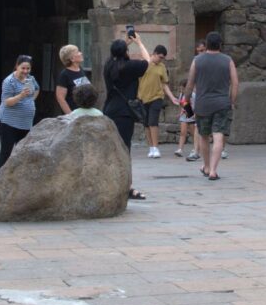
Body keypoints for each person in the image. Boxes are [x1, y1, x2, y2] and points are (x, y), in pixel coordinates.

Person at [184, 31, 238, 181]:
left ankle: (206, 166)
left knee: (203, 136)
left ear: (206, 44)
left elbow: (189, 84)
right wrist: (232, 101)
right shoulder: (228, 60)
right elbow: (235, 83)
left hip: (203, 104)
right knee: (218, 135)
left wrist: (186, 102)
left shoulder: (197, 60)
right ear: (220, 45)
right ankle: (214, 170)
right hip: (222, 104)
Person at [102, 34, 151, 200]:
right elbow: (148, 61)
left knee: (111, 148)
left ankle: (111, 181)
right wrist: (139, 42)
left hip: (109, 110)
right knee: (124, 149)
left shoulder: (108, 66)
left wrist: (124, 43)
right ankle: (127, 186)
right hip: (124, 113)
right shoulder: (129, 67)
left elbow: (115, 56)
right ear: (126, 52)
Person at [0, 55, 39, 169]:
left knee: (23, 151)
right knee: (6, 151)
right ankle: (0, 179)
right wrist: (21, 96)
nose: (25, 71)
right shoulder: (9, 81)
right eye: (23, 68)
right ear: (17, 66)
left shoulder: (30, 79)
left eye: (28, 68)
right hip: (9, 121)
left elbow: (37, 89)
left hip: (25, 122)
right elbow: (7, 102)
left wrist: (30, 101)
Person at [137, 44, 179, 158]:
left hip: (157, 97)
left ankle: (156, 148)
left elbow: (164, 84)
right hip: (143, 98)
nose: (161, 60)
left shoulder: (162, 67)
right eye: (160, 57)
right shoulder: (144, 63)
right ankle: (151, 147)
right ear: (154, 54)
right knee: (146, 124)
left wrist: (172, 97)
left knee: (153, 122)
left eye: (163, 58)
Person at [55, 44, 90, 115]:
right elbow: (60, 98)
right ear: (72, 59)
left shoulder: (81, 70)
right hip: (74, 115)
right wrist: (71, 115)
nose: (81, 53)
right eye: (77, 52)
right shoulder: (64, 75)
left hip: (85, 112)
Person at [174, 79, 197, 158]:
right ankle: (180, 149)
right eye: (180, 88)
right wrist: (180, 113)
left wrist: (195, 114)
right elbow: (182, 105)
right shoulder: (181, 95)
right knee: (182, 133)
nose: (181, 90)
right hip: (184, 116)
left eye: (182, 88)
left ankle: (195, 149)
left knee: (193, 134)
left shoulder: (193, 95)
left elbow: (196, 106)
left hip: (191, 116)